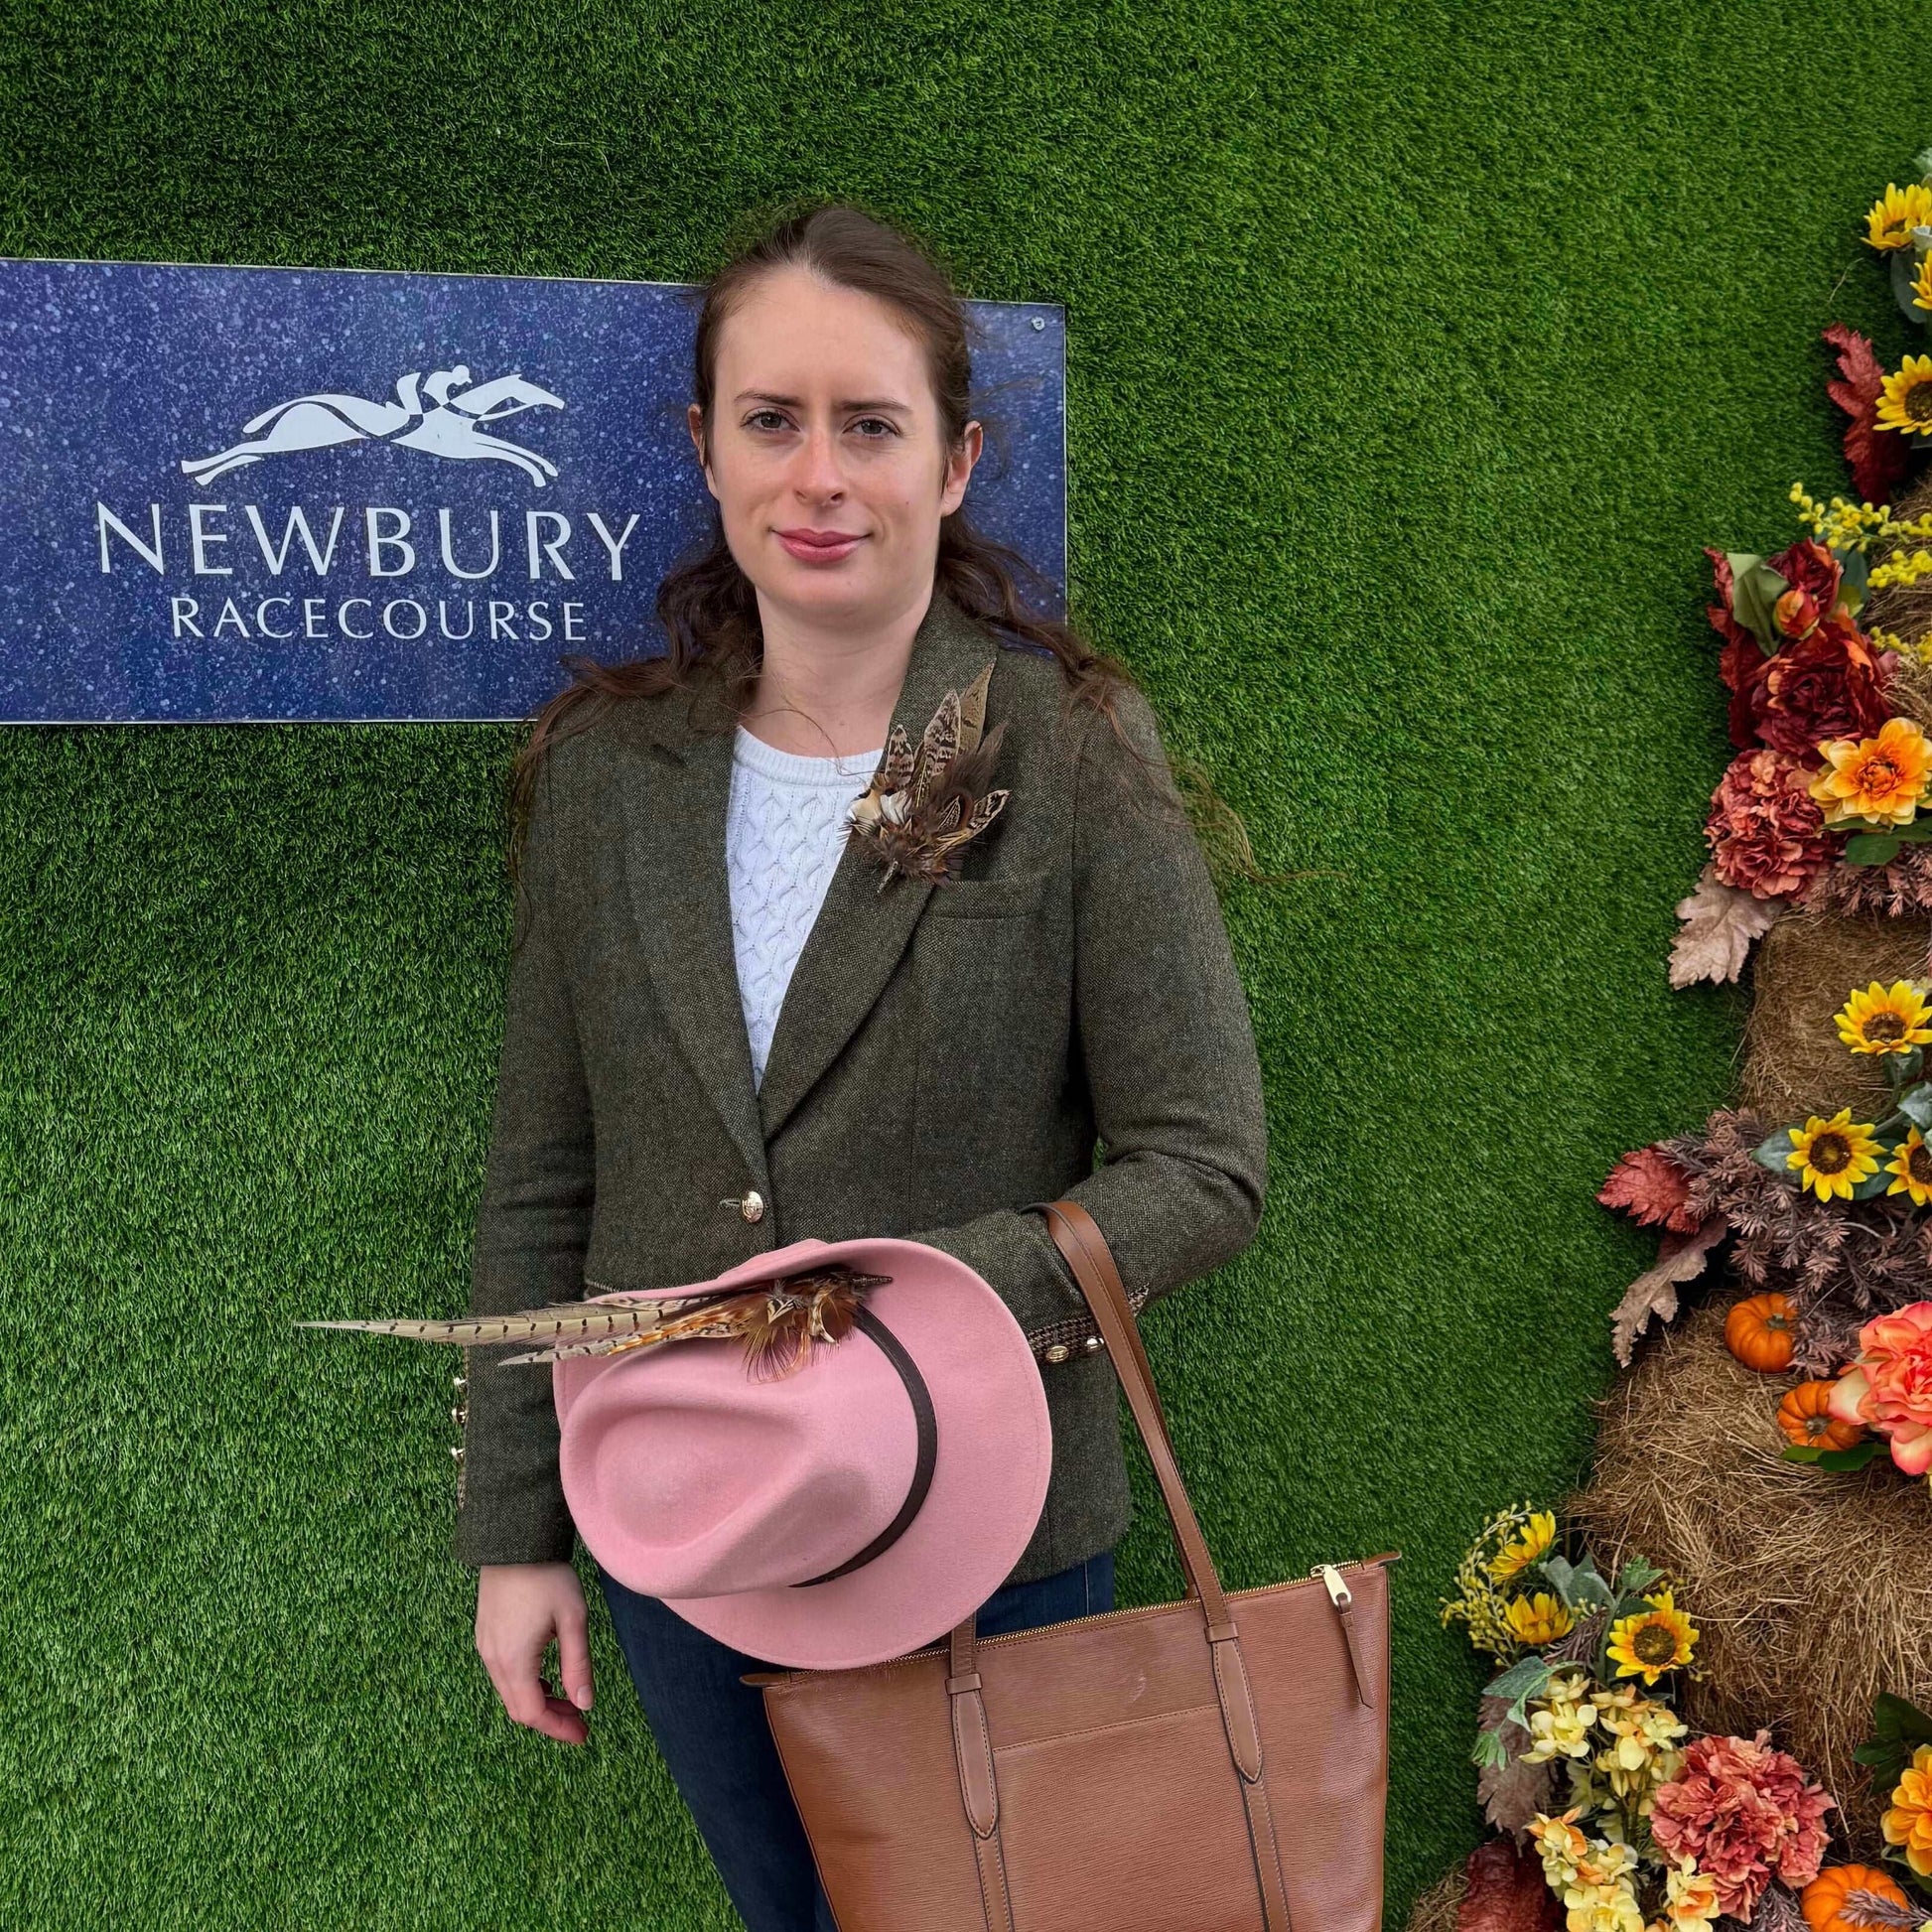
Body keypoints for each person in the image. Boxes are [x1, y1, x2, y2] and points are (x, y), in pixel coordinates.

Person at [452, 200, 1271, 1932]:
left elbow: (1202, 1165)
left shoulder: (1046, 747)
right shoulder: (612, 772)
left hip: (988, 1534)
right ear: (703, 447)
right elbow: (544, 1177)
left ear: (956, 461)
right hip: (685, 1527)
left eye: (869, 425)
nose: (817, 475)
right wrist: (517, 1529)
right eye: (770, 420)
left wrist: (893, 1302)